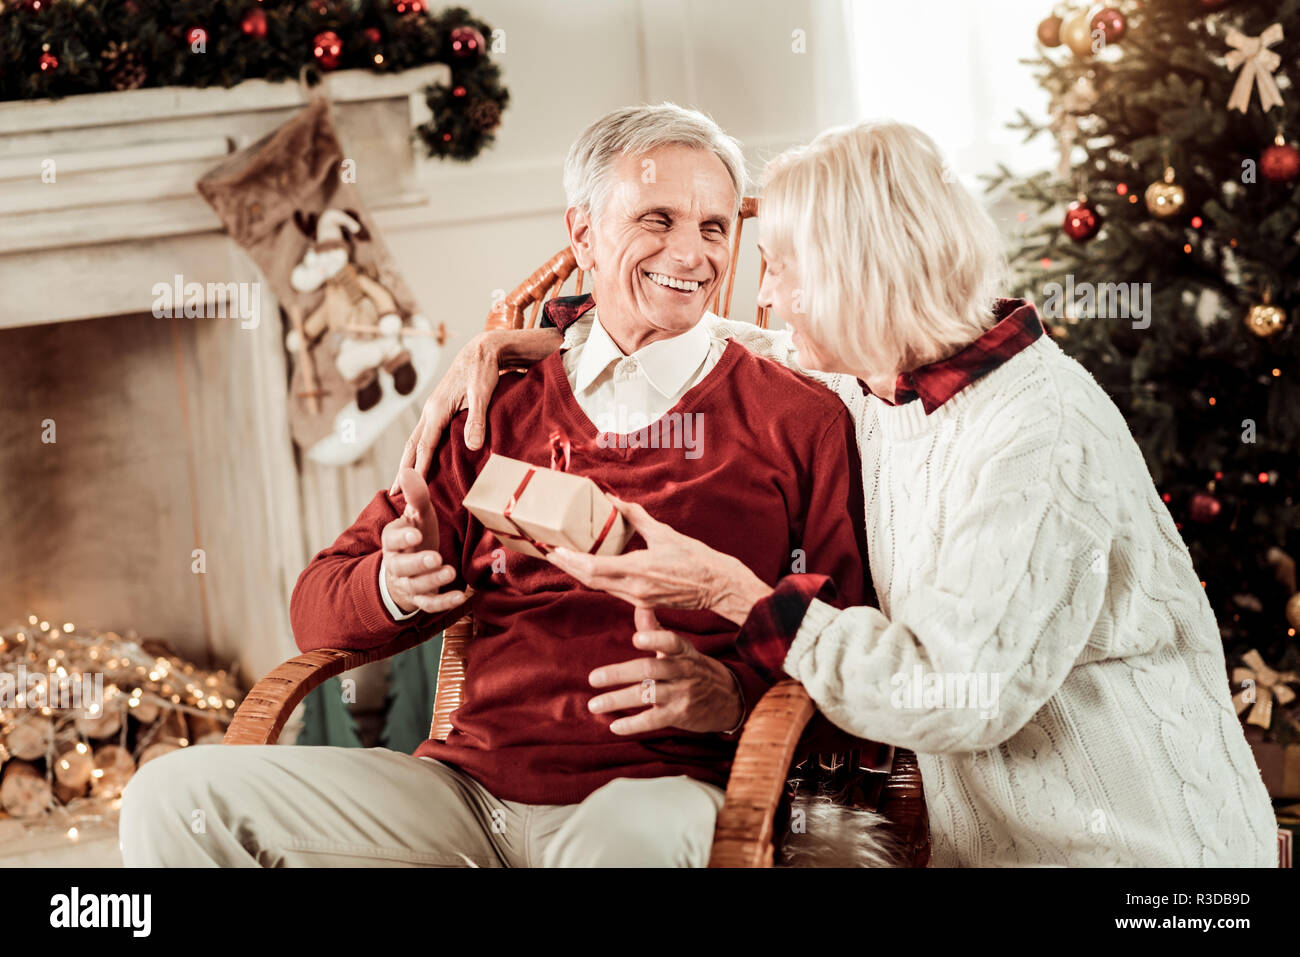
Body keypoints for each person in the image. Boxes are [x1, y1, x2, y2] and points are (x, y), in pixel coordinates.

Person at [400, 120, 1278, 867]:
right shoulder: (884, 378)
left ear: (863, 274)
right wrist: (551, 337)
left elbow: (952, 693)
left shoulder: (1035, 433)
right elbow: (706, 338)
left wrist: (731, 594)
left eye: (781, 269)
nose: (766, 295)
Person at [118, 104, 871, 868]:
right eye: (658, 218)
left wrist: (731, 695)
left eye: (714, 227)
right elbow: (316, 607)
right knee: (174, 796)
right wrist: (394, 583)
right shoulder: (495, 404)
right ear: (582, 234)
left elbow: (845, 647)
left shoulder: (799, 419)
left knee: (638, 838)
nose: (693, 252)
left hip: (653, 793)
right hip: (462, 796)